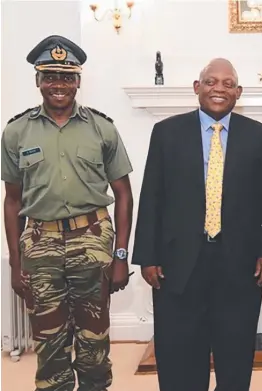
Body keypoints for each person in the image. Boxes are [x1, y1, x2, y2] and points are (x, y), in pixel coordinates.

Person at [131, 58, 262, 391]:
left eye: (227, 83)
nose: (219, 89)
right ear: (197, 88)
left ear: (238, 92)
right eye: (211, 82)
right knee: (179, 355)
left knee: (235, 353)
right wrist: (147, 255)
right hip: (177, 264)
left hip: (239, 265)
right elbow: (152, 194)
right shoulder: (166, 132)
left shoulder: (258, 135)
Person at [1, 35, 134, 391]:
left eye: (66, 76)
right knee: (49, 343)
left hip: (92, 241)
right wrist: (16, 264)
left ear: (78, 81)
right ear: (38, 81)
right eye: (50, 76)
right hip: (39, 245)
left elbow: (123, 194)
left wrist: (120, 255)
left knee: (94, 342)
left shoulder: (101, 128)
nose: (58, 84)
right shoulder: (16, 131)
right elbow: (12, 201)